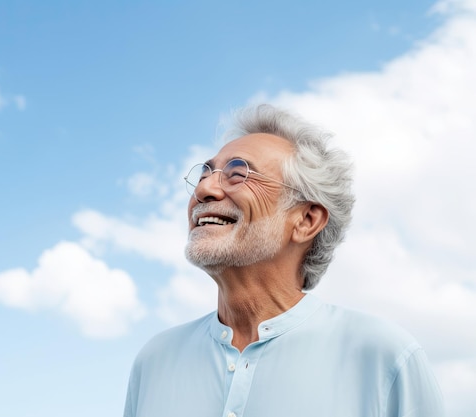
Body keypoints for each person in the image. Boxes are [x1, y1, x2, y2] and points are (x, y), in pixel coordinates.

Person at [123, 104, 444, 417]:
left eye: (238, 173)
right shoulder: (155, 360)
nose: (205, 188)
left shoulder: (384, 356)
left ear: (306, 220)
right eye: (204, 174)